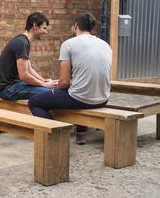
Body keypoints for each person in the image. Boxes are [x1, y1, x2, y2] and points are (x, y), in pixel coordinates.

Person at [28, 13, 112, 145]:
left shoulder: (68, 44)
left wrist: (56, 84)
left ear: (76, 26)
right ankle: (81, 133)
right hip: (103, 99)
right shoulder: (105, 45)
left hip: (81, 99)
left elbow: (64, 83)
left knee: (34, 102)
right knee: (78, 90)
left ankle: (56, 137)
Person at [0, 12, 57, 100]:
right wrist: (44, 85)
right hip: (8, 89)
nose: (45, 32)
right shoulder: (22, 43)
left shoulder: (23, 41)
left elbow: (29, 69)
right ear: (35, 26)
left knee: (56, 88)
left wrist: (44, 80)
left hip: (15, 85)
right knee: (51, 93)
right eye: (44, 28)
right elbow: (24, 75)